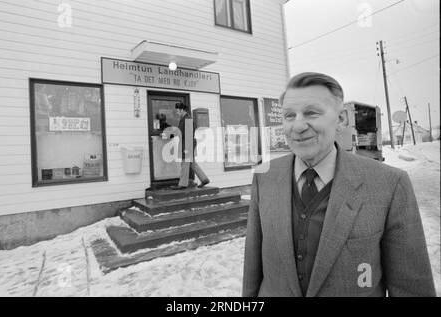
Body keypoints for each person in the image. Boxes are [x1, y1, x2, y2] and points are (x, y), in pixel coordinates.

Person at [242, 72, 436, 297]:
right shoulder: (265, 176)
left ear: (342, 119)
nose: (298, 126)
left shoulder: (390, 184)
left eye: (311, 113)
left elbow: (411, 287)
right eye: (289, 115)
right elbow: (253, 269)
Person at [170, 102, 210, 190]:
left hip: (188, 144)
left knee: (184, 163)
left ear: (182, 110)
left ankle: (182, 184)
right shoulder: (184, 118)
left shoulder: (187, 119)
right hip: (189, 143)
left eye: (177, 111)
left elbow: (186, 134)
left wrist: (186, 148)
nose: (177, 113)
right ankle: (204, 179)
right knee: (192, 163)